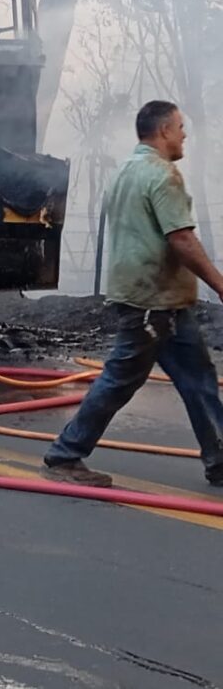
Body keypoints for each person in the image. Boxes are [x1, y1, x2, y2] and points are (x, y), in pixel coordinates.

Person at [42, 100, 223, 488]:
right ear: (163, 132)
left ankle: (219, 459)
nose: (184, 134)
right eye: (179, 126)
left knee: (199, 380)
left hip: (162, 301)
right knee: (120, 379)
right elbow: (182, 238)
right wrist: (220, 284)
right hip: (151, 302)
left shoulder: (124, 171)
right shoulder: (163, 175)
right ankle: (64, 454)